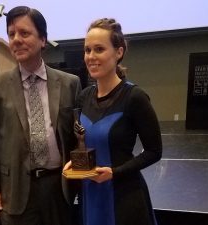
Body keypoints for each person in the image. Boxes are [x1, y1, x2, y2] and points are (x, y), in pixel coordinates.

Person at [0, 6, 81, 225]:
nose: (16, 39)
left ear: (43, 39)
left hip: (58, 188)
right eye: (12, 34)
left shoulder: (70, 83)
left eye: (24, 33)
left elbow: (77, 136)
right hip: (14, 189)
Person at [64, 18, 162, 225]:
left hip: (124, 197)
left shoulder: (135, 97)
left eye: (99, 49)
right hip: (90, 195)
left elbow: (154, 151)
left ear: (119, 52)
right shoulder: (84, 96)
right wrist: (76, 163)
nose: (91, 57)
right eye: (87, 50)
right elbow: (82, 142)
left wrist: (114, 173)